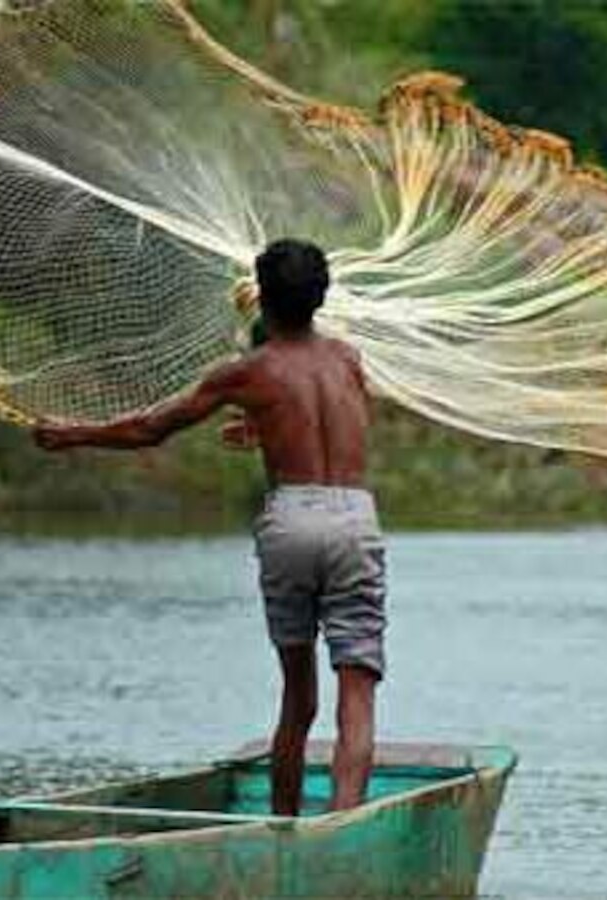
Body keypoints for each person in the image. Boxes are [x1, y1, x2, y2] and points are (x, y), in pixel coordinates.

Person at [34, 239, 386, 816]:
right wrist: (264, 430)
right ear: (321, 298)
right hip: (353, 517)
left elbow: (151, 428)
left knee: (299, 697)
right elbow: (336, 424)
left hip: (292, 518)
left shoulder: (248, 371)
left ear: (262, 299)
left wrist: (73, 434)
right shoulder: (348, 359)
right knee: (358, 688)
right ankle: (343, 825)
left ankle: (282, 829)